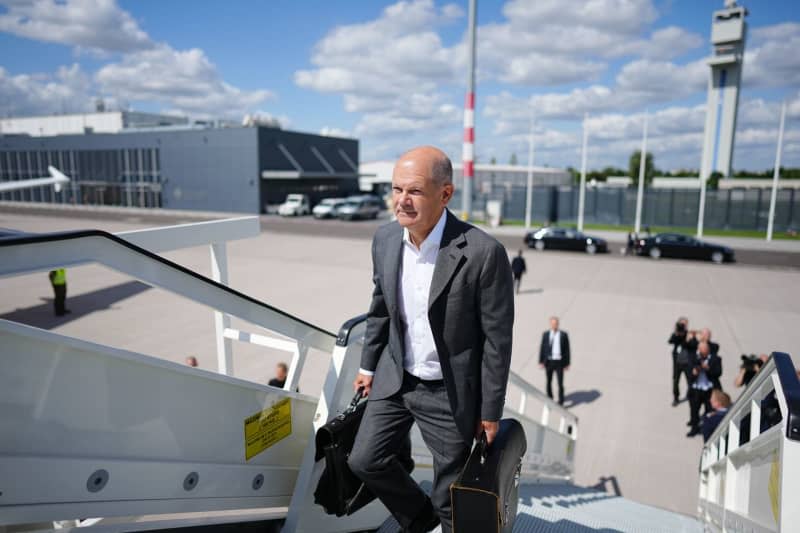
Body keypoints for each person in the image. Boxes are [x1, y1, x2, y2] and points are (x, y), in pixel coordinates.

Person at [348, 146, 514, 533]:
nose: (401, 201)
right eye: (396, 189)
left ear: (445, 194)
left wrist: (490, 410)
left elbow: (497, 340)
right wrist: (367, 366)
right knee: (364, 460)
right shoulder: (386, 239)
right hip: (396, 378)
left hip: (448, 392)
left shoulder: (484, 253)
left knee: (449, 495)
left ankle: (440, 519)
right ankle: (418, 519)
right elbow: (380, 309)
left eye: (415, 191)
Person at [687, 341, 722, 437]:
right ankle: (694, 428)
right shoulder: (693, 358)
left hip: (709, 390)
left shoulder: (716, 359)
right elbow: (689, 374)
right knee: (694, 410)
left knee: (709, 411)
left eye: (705, 351)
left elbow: (718, 373)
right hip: (696, 390)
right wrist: (694, 372)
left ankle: (708, 428)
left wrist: (708, 368)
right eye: (701, 351)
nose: (703, 353)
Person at [539, 316, 571, 405]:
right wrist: (541, 361)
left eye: (556, 324)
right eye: (552, 324)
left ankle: (561, 401)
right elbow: (542, 348)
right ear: (550, 324)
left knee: (560, 383)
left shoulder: (563, 335)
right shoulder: (546, 334)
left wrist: (567, 363)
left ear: (558, 324)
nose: (554, 325)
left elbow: (567, 350)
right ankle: (550, 398)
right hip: (549, 361)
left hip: (559, 362)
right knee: (549, 381)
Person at [668, 317, 689, 406]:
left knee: (690, 380)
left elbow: (691, 344)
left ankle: (690, 394)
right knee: (675, 381)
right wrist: (677, 334)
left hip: (687, 362)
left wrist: (686, 335)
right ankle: (676, 398)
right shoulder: (675, 334)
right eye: (680, 324)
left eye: (684, 324)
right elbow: (670, 341)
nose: (682, 326)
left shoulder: (689, 335)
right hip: (677, 363)